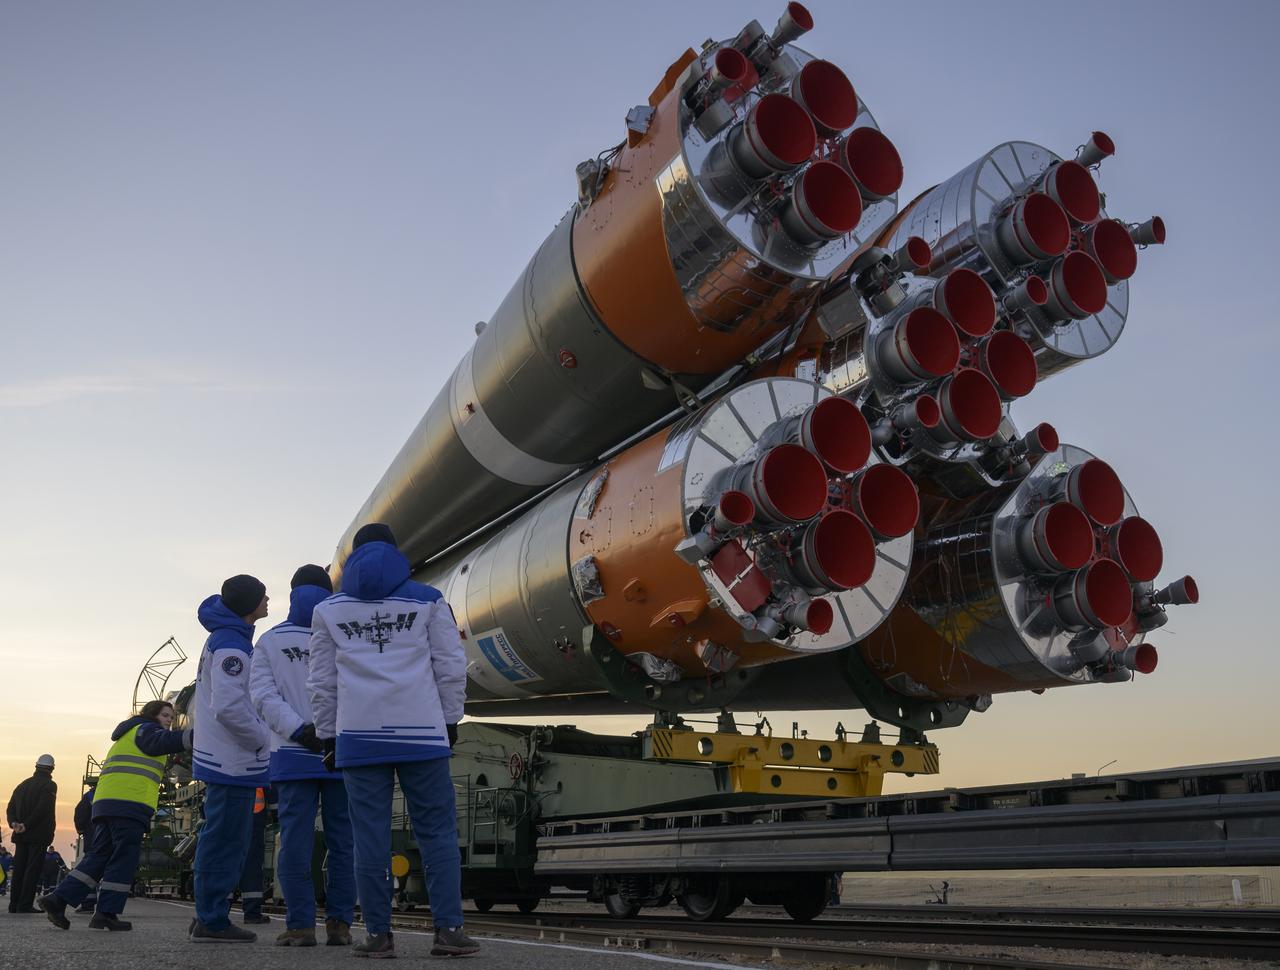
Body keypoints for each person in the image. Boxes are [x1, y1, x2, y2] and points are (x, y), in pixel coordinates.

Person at [308, 523, 478, 958]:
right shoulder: (429, 599)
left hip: (358, 736)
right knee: (437, 832)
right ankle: (448, 931)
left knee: (369, 837)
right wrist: (449, 719)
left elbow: (322, 682)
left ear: (352, 557)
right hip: (422, 733)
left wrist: (327, 735)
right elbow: (450, 665)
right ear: (396, 551)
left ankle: (378, 936)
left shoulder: (328, 609)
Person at [250, 563, 355, 948]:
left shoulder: (270, 641)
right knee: (345, 842)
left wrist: (299, 730)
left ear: (292, 593)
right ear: (329, 591)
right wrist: (331, 731)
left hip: (292, 755)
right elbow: (358, 687)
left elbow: (262, 697)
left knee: (295, 842)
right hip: (342, 751)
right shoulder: (344, 631)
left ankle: (300, 927)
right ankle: (340, 926)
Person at [38, 700, 191, 931]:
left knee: (100, 855)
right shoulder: (146, 730)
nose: (169, 720)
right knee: (124, 857)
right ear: (151, 715)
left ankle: (58, 899)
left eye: (171, 716)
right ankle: (106, 913)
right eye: (165, 715)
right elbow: (163, 742)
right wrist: (196, 736)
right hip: (128, 803)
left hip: (107, 803)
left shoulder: (129, 733)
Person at [189, 574, 271, 943]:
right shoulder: (232, 645)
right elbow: (229, 706)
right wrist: (263, 739)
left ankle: (207, 914)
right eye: (262, 596)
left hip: (227, 758)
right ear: (249, 605)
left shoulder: (225, 637)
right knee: (225, 841)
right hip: (232, 760)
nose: (268, 600)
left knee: (222, 839)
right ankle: (212, 919)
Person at [6, 754, 57, 913]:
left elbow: (10, 808)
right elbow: (43, 808)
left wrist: (14, 824)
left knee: (19, 869)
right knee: (32, 870)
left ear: (36, 766)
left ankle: (14, 905)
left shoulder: (22, 785)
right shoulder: (50, 785)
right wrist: (26, 825)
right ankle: (25, 905)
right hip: (38, 835)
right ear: (52, 769)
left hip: (20, 835)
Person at [234, 785, 271, 924]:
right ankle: (252, 913)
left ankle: (219, 911)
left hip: (229, 812)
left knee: (227, 860)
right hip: (254, 815)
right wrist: (276, 812)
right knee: (252, 864)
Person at [72, 780, 99, 913]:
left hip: (92, 837)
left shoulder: (89, 796)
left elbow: (80, 813)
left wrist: (81, 829)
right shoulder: (116, 793)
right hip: (112, 837)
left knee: (90, 869)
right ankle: (108, 908)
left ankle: (88, 904)